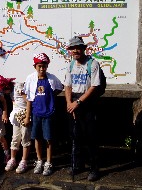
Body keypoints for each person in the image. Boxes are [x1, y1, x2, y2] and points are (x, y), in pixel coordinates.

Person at [63, 36, 102, 181]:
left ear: (84, 48)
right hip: (73, 103)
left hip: (87, 103)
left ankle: (94, 168)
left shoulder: (92, 64)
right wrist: (68, 103)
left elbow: (94, 87)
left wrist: (77, 102)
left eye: (78, 47)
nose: (75, 50)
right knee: (75, 135)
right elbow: (67, 85)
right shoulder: (71, 65)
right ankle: (77, 164)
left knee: (91, 136)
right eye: (73, 48)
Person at [23, 53, 63, 176]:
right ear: (35, 66)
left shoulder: (51, 78)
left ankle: (49, 162)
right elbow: (28, 97)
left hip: (48, 113)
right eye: (39, 66)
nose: (42, 69)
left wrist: (51, 98)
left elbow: (59, 88)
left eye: (44, 66)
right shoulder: (30, 78)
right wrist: (27, 115)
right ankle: (39, 160)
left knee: (48, 139)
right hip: (36, 113)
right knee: (37, 138)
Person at [0, 76, 32, 174]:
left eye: (2, 90)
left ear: (6, 86)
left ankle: (24, 161)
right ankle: (13, 159)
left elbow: (28, 101)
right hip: (16, 116)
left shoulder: (19, 88)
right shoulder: (9, 92)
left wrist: (27, 116)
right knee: (15, 138)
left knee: (25, 138)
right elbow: (14, 102)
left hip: (24, 114)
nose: (2, 92)